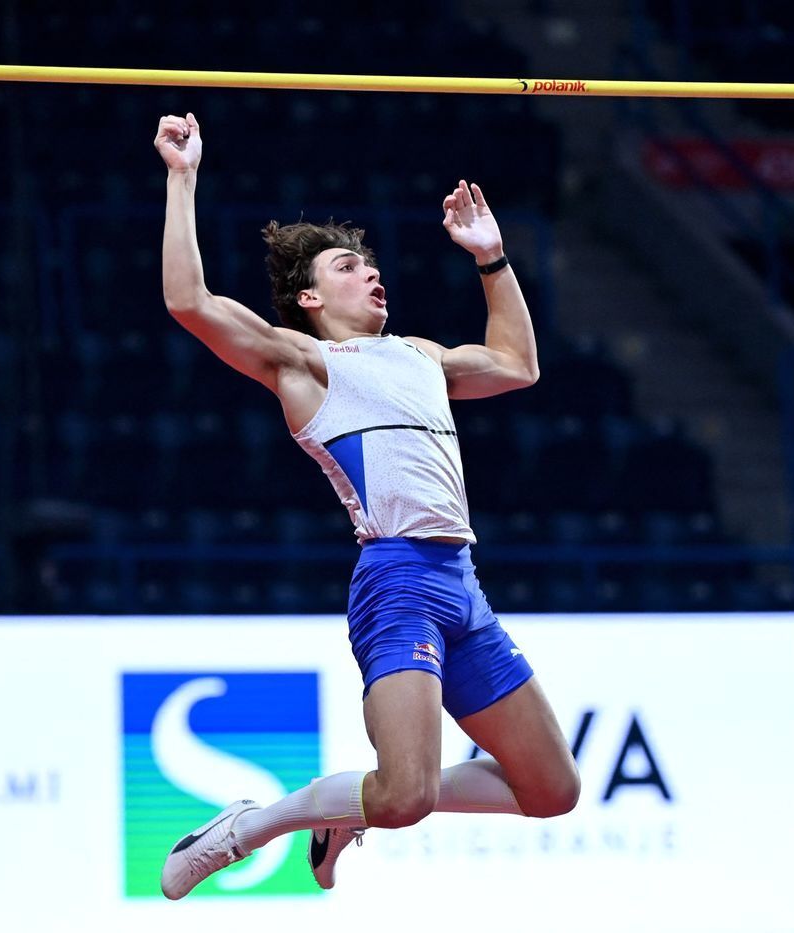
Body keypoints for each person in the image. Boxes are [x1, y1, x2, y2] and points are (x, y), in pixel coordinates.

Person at [153, 112, 580, 899]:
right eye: (351, 266)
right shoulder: (304, 362)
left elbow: (519, 365)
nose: (373, 273)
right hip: (398, 583)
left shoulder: (420, 355)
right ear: (310, 296)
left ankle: (346, 807)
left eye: (372, 264)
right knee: (404, 798)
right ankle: (256, 823)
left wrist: (490, 257)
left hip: (462, 582)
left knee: (554, 789)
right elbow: (190, 300)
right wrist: (183, 178)